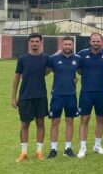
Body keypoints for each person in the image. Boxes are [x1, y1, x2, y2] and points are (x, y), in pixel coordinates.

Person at [12, 32, 51, 162]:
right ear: (29, 43)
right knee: (24, 124)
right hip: (25, 96)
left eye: (37, 41)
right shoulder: (22, 58)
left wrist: (73, 78)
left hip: (40, 96)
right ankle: (24, 152)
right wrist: (13, 97)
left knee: (40, 123)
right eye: (32, 41)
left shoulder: (46, 58)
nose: (34, 43)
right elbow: (17, 77)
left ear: (41, 42)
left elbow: (58, 68)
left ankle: (39, 151)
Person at [77, 32, 103, 157]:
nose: (96, 43)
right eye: (94, 41)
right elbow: (77, 69)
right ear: (90, 42)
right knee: (84, 119)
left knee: (100, 118)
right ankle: (83, 147)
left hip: (102, 92)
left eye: (98, 41)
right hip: (86, 92)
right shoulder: (82, 54)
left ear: (101, 42)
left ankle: (97, 145)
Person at [47, 36, 81, 158]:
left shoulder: (77, 59)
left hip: (71, 95)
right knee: (55, 121)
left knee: (69, 121)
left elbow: (81, 72)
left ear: (73, 46)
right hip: (57, 95)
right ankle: (53, 149)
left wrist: (76, 79)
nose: (67, 46)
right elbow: (45, 72)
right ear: (62, 45)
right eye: (65, 44)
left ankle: (67, 148)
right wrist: (52, 55)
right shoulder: (54, 59)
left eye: (69, 44)